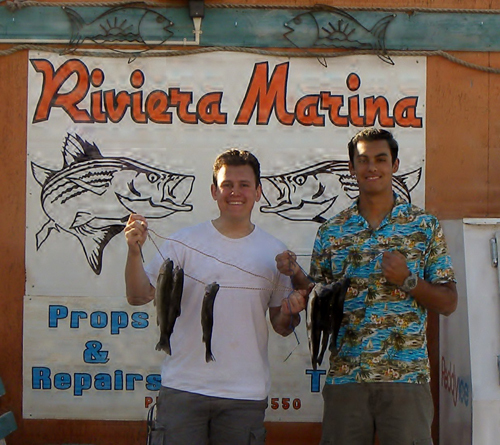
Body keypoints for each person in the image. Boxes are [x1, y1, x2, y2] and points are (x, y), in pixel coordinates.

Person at [276, 128, 457, 445]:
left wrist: (408, 280)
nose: (372, 167)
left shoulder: (424, 225)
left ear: (395, 165)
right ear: (351, 168)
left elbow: (448, 302)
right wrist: (295, 275)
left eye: (380, 159)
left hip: (407, 379)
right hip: (347, 378)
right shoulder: (331, 232)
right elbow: (318, 299)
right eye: (363, 160)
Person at [125, 149, 307, 445]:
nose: (235, 192)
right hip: (183, 388)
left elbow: (281, 325)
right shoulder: (183, 242)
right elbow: (137, 296)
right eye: (227, 184)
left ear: (258, 192)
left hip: (244, 396)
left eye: (245, 184)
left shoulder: (274, 251)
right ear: (214, 191)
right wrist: (134, 251)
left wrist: (291, 310)